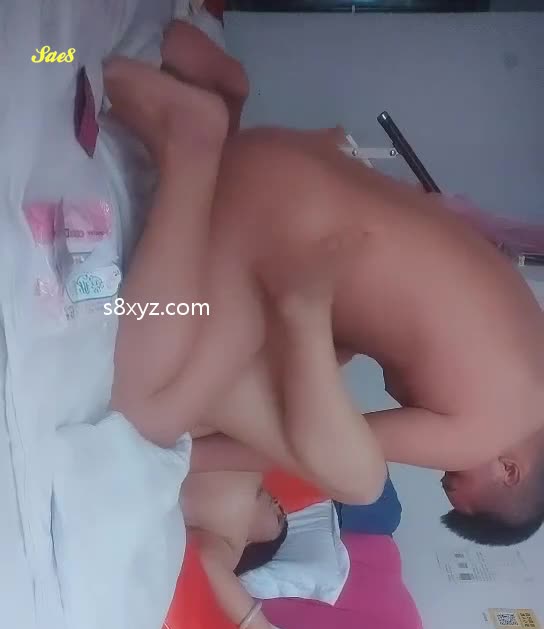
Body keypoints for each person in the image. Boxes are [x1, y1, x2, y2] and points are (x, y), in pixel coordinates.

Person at [104, 39, 544, 547]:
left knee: (226, 379)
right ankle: (191, 147)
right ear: (509, 471)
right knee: (147, 411)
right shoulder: (485, 432)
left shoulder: (531, 346)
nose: (442, 467)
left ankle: (226, 100)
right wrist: (181, 456)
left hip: (294, 167)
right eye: (454, 477)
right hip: (275, 218)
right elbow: (309, 450)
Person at [181, 469, 319, 629]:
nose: (278, 503)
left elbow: (209, 566)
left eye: (280, 518)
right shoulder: (251, 471)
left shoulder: (229, 543)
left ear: (250, 543)